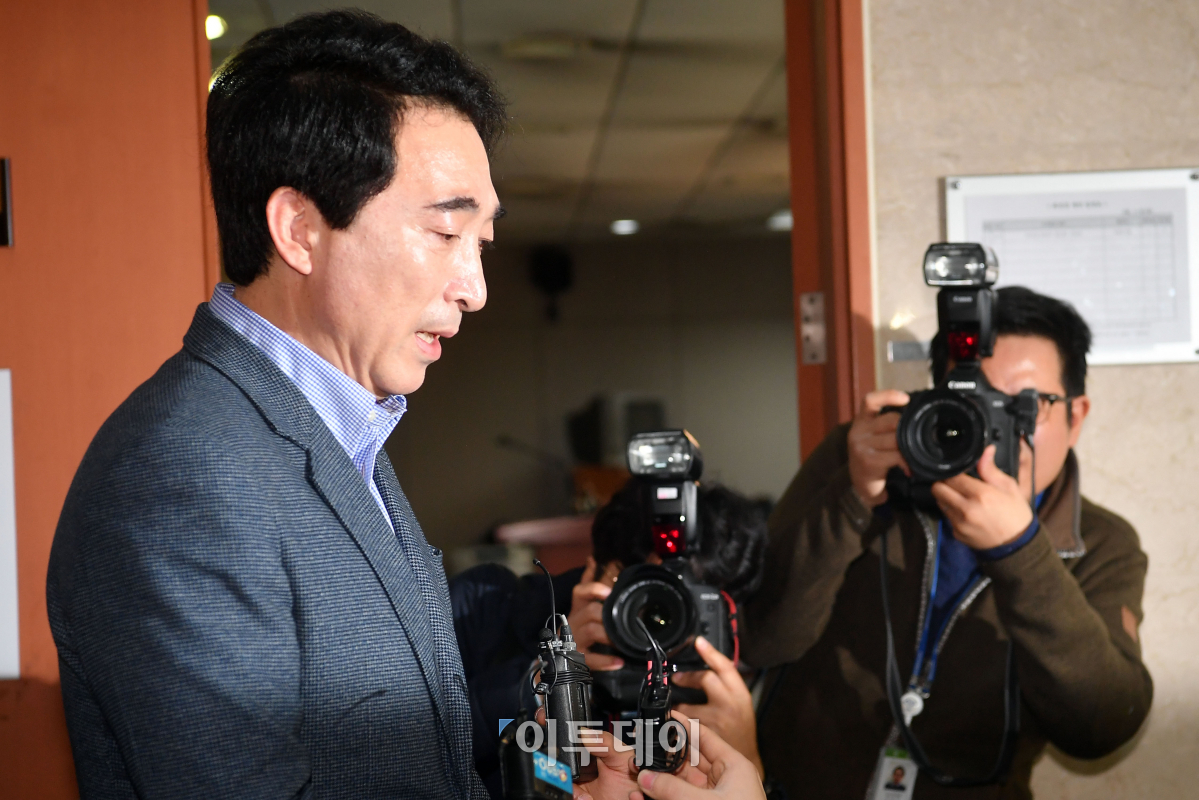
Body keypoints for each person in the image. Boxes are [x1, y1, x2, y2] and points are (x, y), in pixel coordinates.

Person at [46, 11, 504, 799]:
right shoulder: (182, 475)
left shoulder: (341, 429)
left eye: (482, 244)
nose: (475, 289)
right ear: (299, 230)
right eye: (444, 234)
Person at [744, 286, 1153, 799]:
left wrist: (1022, 552)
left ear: (1076, 416)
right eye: (974, 402)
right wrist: (852, 497)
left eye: (1028, 404)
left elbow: (1103, 726)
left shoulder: (1098, 542)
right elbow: (761, 637)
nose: (996, 427)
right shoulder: (862, 466)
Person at [450, 481, 770, 798]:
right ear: (594, 567)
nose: (654, 624)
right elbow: (429, 747)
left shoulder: (728, 695)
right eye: (639, 589)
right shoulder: (483, 610)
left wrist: (748, 765)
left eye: (680, 607)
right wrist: (546, 677)